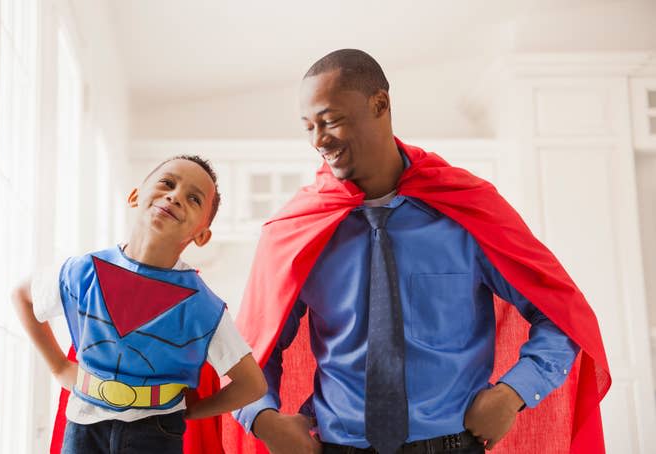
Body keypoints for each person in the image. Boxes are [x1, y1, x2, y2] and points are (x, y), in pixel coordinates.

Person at [230, 49, 610, 454]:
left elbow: (562, 314)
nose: (318, 140)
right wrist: (263, 419)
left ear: (380, 104)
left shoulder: (467, 210)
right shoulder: (297, 230)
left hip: (452, 445)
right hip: (337, 447)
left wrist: (513, 392)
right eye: (309, 127)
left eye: (331, 120)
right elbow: (249, 352)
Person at [12, 155, 267, 453]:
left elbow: (252, 384)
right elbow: (23, 295)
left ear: (202, 235)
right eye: (167, 183)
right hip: (83, 422)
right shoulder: (85, 271)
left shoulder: (201, 306)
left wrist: (192, 411)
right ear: (135, 196)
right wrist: (57, 367)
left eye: (194, 198)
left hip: (156, 430)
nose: (175, 196)